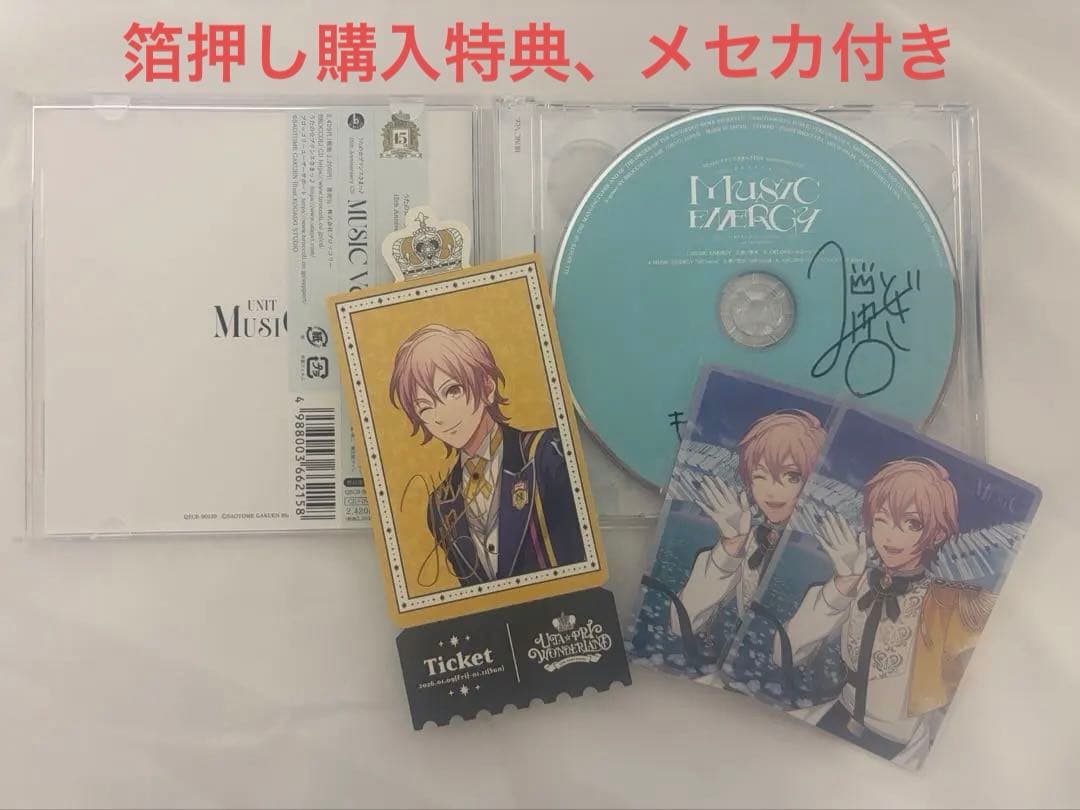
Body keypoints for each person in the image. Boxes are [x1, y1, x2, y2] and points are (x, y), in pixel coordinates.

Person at [776, 458, 994, 766]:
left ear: (936, 534)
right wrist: (842, 584)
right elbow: (783, 653)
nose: (890, 536)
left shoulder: (947, 603)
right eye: (881, 520)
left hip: (899, 751)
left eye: (912, 524)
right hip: (831, 723)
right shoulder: (857, 580)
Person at [389, 324, 585, 587]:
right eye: (424, 407)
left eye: (452, 391)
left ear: (487, 387)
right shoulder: (440, 505)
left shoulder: (546, 453)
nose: (440, 416)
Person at [672, 410, 827, 634]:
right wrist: (730, 547)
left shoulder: (824, 559)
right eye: (760, 475)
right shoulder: (750, 537)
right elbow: (682, 624)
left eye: (792, 477)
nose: (772, 491)